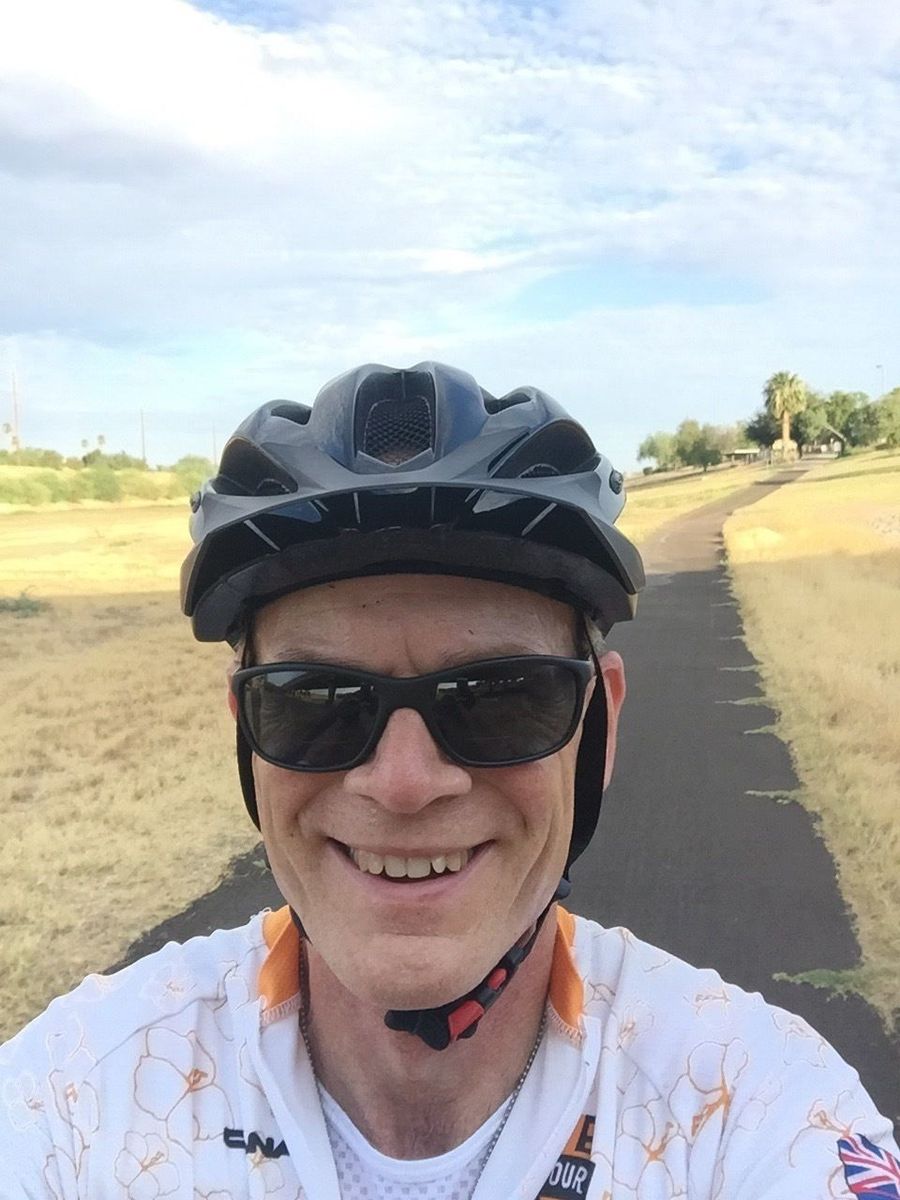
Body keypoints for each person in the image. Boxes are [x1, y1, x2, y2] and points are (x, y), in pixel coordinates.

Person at [0, 362, 896, 1199]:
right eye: (317, 700)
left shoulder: (751, 1108)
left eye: (500, 697)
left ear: (600, 727)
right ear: (248, 732)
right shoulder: (75, 1100)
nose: (403, 783)